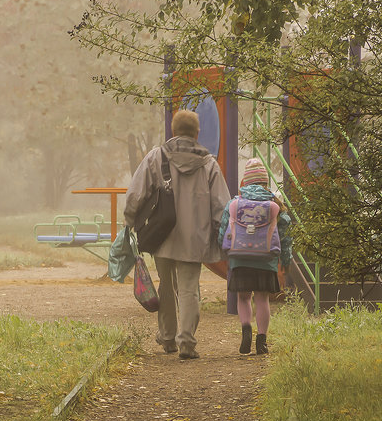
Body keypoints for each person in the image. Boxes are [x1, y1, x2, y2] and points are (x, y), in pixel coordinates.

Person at [124, 109, 231, 360]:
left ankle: (168, 337)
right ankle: (187, 343)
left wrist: (130, 220)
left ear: (173, 131)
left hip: (161, 235)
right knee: (189, 288)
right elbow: (221, 206)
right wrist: (223, 235)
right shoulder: (209, 164)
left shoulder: (156, 157)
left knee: (166, 285)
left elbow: (135, 194)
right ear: (197, 132)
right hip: (195, 237)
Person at [219, 157, 293, 355]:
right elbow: (285, 235)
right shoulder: (274, 204)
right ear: (264, 182)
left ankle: (245, 330)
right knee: (262, 299)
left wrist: (224, 251)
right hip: (266, 259)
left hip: (239, 258)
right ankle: (262, 341)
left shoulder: (234, 203)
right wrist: (285, 261)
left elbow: (223, 231)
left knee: (243, 298)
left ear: (245, 182)